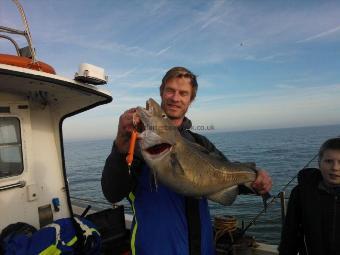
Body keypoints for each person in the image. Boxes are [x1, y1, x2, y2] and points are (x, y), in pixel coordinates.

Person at [101, 66, 272, 255]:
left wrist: (256, 178)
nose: (175, 98)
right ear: (162, 92)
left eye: (183, 93)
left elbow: (226, 176)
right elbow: (112, 193)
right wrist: (120, 147)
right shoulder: (135, 144)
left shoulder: (201, 142)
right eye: (170, 91)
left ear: (191, 99)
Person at [279, 138, 340, 255]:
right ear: (319, 163)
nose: (335, 167)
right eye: (328, 161)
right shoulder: (301, 192)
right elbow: (290, 235)